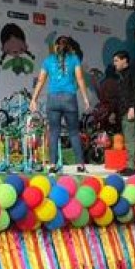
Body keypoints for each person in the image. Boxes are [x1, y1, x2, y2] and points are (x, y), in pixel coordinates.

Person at [29, 35, 91, 173]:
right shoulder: (74, 59)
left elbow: (40, 81)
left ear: (56, 47)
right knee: (74, 133)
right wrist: (85, 98)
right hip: (69, 98)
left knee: (54, 132)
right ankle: (80, 165)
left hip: (53, 99)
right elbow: (80, 79)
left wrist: (33, 99)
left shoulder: (48, 60)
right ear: (69, 47)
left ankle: (52, 165)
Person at [111, 50, 135, 176]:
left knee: (130, 138)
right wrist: (114, 112)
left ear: (124, 60)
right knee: (128, 138)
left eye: (116, 60)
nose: (114, 63)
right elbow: (118, 96)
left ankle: (131, 167)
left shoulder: (133, 73)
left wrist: (132, 107)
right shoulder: (120, 76)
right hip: (123, 110)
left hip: (131, 110)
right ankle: (130, 165)